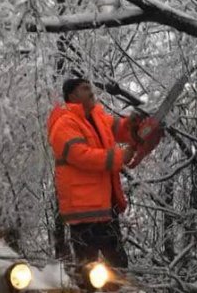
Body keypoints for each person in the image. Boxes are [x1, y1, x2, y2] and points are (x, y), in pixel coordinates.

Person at [47, 78, 143, 269]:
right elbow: (81, 156)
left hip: (106, 209)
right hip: (83, 213)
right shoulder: (64, 124)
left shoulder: (96, 117)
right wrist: (119, 157)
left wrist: (133, 122)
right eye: (85, 88)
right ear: (73, 95)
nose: (91, 91)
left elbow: (120, 128)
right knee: (88, 272)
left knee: (118, 268)